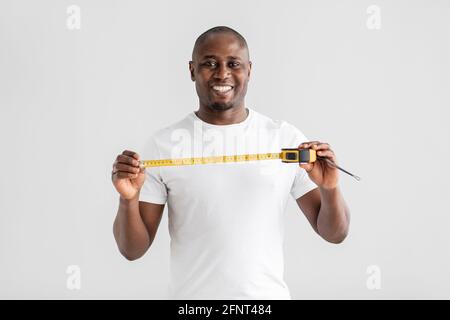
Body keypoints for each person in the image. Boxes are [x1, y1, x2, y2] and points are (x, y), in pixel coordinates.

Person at [111, 26, 350, 300]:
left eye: (233, 64)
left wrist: (330, 189)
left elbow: (335, 233)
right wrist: (127, 200)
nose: (222, 73)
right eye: (209, 63)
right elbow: (132, 250)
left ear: (249, 70)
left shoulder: (285, 140)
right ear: (191, 70)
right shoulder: (164, 145)